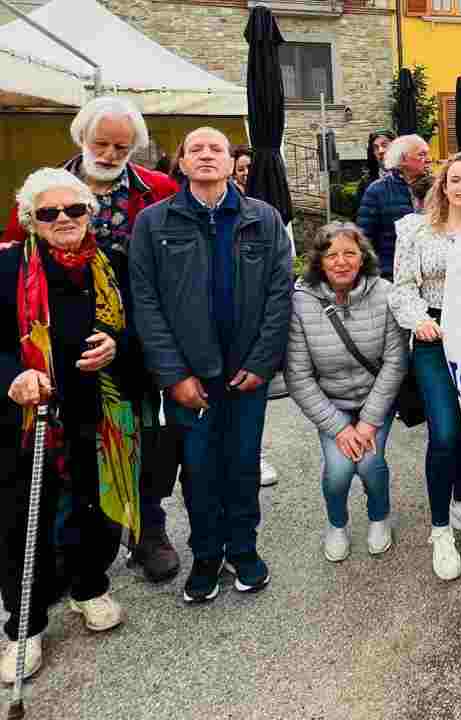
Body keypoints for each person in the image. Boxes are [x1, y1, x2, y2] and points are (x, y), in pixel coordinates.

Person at [2, 97, 184, 584]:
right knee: (70, 449)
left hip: (132, 341)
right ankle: (71, 551)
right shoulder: (46, 188)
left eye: (120, 145)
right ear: (81, 138)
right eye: (99, 143)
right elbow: (14, 259)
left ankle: (147, 530)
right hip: (58, 349)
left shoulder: (160, 189)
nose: (108, 152)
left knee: (140, 439)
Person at [130, 127, 293, 604]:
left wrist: (263, 362)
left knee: (242, 466)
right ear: (180, 163)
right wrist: (173, 375)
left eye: (215, 149)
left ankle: (244, 551)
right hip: (188, 378)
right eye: (195, 149)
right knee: (198, 471)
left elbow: (281, 293)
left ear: (230, 161)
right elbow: (146, 302)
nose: (205, 155)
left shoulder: (263, 218)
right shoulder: (153, 223)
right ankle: (205, 555)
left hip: (247, 376)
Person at [0, 168, 142, 683]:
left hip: (99, 409)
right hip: (28, 415)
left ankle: (89, 586)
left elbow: (140, 329)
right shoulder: (9, 266)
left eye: (74, 209)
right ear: (30, 220)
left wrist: (117, 346)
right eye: (49, 212)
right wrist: (16, 372)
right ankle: (25, 623)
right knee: (23, 516)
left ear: (90, 213)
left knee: (95, 502)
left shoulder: (112, 264)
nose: (64, 219)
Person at [389, 151, 461, 577]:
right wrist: (419, 322)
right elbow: (401, 288)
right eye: (456, 179)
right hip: (434, 336)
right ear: (444, 185)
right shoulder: (416, 230)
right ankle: (440, 528)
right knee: (446, 433)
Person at [287, 223, 406, 562]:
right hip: (332, 405)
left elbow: (395, 362)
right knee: (338, 471)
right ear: (319, 262)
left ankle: (379, 516)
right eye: (332, 255)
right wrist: (339, 427)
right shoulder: (301, 302)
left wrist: (368, 422)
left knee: (370, 463)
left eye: (349, 253)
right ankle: (336, 524)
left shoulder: (385, 293)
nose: (341, 262)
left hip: (374, 402)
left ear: (362, 257)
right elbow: (298, 375)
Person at [357, 134, 428, 280]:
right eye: (421, 154)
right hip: (391, 275)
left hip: (428, 273)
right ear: (402, 159)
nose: (428, 159)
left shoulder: (437, 188)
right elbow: (365, 239)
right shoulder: (377, 190)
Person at [354, 130, 395, 211]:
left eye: (384, 145)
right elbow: (358, 217)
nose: (380, 151)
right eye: (376, 148)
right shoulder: (366, 183)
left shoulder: (409, 177)